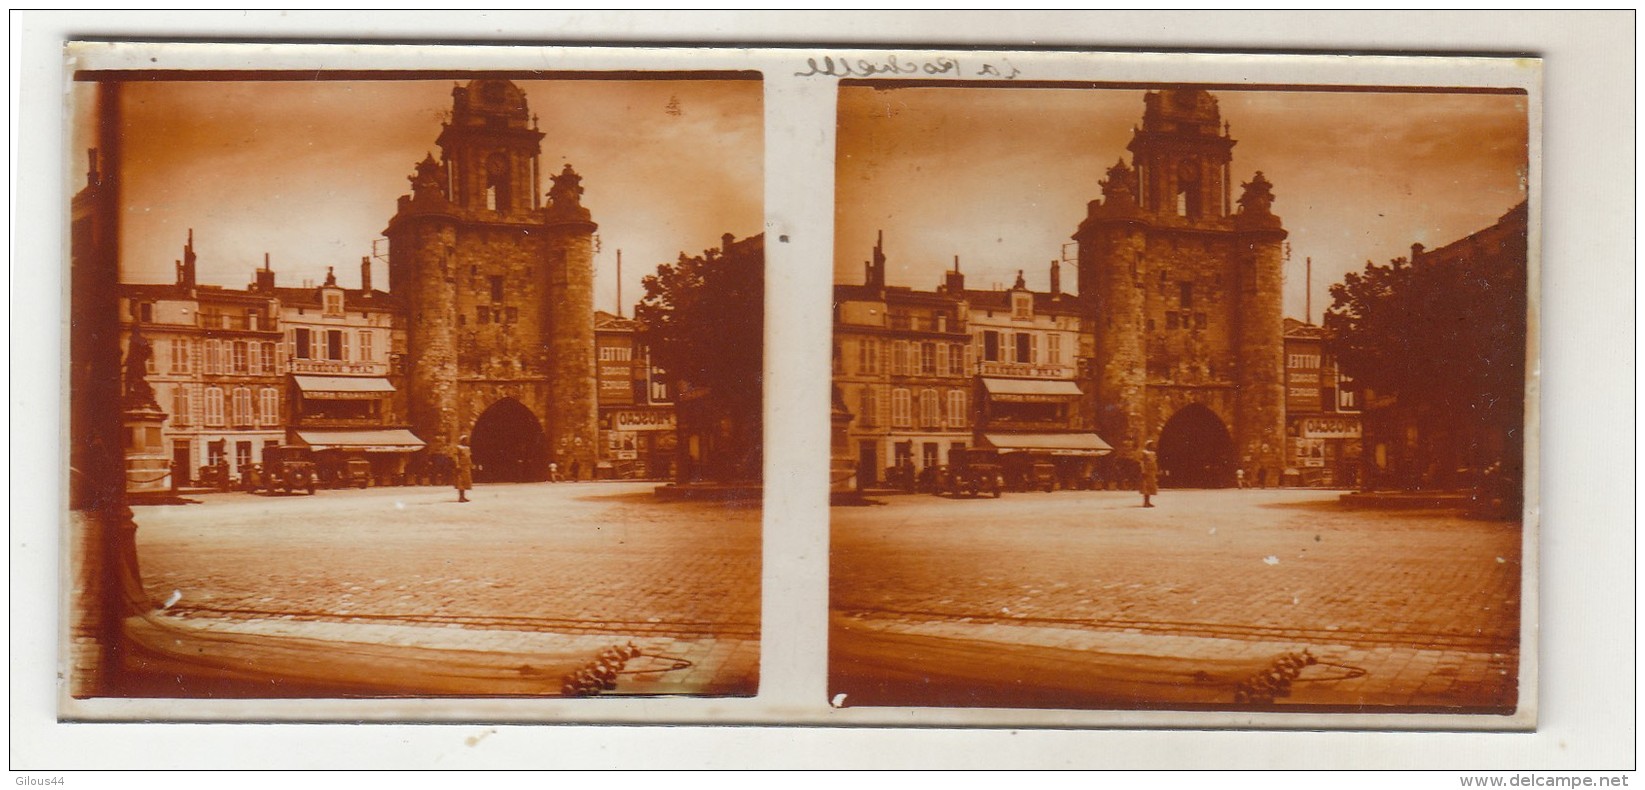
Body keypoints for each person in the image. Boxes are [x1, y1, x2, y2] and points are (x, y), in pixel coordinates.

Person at [1139, 441, 1159, 508]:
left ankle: (1148, 502)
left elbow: (1154, 462)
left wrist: (1156, 470)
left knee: (1150, 487)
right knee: (1146, 487)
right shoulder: (1144, 452)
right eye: (1151, 445)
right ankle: (1145, 503)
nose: (1152, 446)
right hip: (1146, 471)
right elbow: (1142, 462)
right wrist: (1143, 471)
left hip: (1151, 472)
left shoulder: (1153, 453)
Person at [454, 435, 474, 503]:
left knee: (466, 481)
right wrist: (457, 465)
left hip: (466, 466)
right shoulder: (458, 447)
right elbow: (456, 456)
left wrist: (471, 464)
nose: (466, 441)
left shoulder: (467, 448)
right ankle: (460, 497)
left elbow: (469, 457)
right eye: (465, 439)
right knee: (461, 481)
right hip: (461, 466)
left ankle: (463, 496)